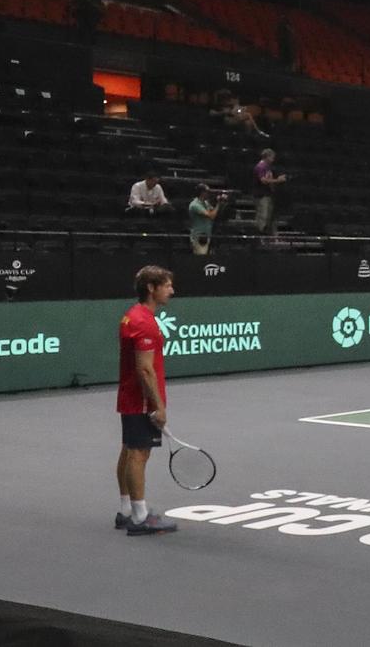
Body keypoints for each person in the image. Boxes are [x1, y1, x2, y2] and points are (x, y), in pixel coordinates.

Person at [115, 265, 179, 536]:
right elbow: (144, 369)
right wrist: (158, 406)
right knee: (139, 454)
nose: (172, 291)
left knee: (129, 451)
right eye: (166, 285)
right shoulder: (144, 323)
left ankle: (127, 510)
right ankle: (141, 517)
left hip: (129, 397)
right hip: (141, 400)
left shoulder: (132, 316)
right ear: (152, 288)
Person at [253, 150, 288, 236]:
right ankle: (259, 236)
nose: (273, 159)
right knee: (263, 216)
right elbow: (263, 181)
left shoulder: (267, 167)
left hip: (268, 194)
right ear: (267, 157)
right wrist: (278, 180)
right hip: (261, 195)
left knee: (268, 217)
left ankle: (266, 235)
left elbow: (269, 179)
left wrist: (277, 179)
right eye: (272, 157)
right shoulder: (260, 167)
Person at [187, 184, 221, 256]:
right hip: (199, 237)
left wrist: (220, 202)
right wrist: (218, 204)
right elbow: (211, 216)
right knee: (201, 259)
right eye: (207, 192)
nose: (209, 194)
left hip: (207, 235)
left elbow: (214, 211)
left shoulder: (206, 203)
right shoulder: (195, 205)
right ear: (202, 192)